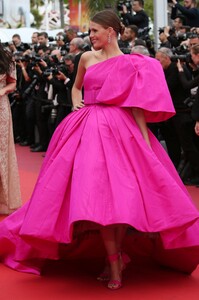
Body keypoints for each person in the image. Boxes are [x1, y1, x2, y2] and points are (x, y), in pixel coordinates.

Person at [0, 10, 199, 291]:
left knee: (120, 200)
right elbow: (76, 87)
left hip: (121, 132)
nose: (90, 35)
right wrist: (78, 102)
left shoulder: (131, 64)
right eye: (89, 31)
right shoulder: (86, 58)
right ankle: (115, 260)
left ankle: (115, 258)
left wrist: (144, 142)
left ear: (111, 32)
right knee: (98, 199)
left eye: (95, 30)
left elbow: (136, 106)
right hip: (87, 130)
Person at [0, 43, 21, 214]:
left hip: (1, 108)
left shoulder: (6, 57)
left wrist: (2, 91)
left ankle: (2, 198)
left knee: (2, 153)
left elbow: (13, 84)